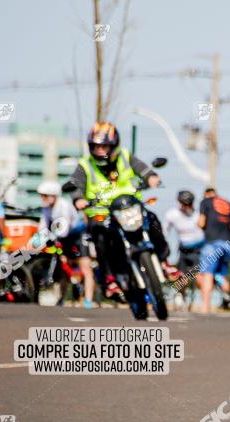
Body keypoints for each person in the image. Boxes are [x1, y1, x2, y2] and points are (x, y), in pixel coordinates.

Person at [67, 121, 171, 299]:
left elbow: (144, 170)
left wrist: (152, 177)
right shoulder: (85, 164)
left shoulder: (125, 156)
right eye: (96, 146)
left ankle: (163, 260)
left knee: (152, 219)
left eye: (104, 145)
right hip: (102, 212)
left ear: (114, 144)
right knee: (101, 237)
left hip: (130, 206)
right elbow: (76, 184)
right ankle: (110, 279)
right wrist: (79, 199)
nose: (100, 150)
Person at [197, 187, 230, 313]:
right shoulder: (228, 204)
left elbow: (201, 223)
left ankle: (205, 307)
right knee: (222, 275)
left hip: (212, 244)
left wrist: (207, 228)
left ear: (206, 194)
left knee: (207, 275)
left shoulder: (205, 202)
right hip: (227, 245)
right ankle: (229, 303)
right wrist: (226, 228)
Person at [164, 190, 206, 276]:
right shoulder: (172, 214)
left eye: (189, 204)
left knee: (199, 275)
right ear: (179, 202)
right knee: (181, 278)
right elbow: (164, 230)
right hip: (183, 249)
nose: (186, 206)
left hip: (199, 249)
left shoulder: (199, 213)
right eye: (184, 204)